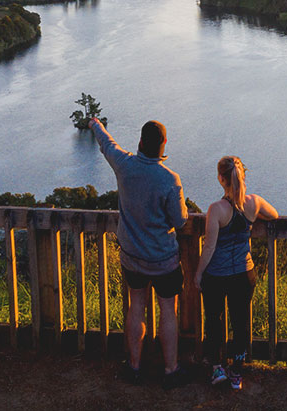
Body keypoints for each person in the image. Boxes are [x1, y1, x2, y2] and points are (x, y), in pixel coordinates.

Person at [88, 117, 190, 388]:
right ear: (164, 144)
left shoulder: (124, 165)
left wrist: (96, 124)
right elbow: (180, 221)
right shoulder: (170, 179)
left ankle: (134, 366)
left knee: (137, 307)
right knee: (168, 310)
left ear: (141, 142)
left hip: (132, 257)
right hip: (163, 259)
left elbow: (107, 144)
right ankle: (170, 369)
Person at [194, 156, 279, 390]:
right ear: (242, 177)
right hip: (244, 273)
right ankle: (237, 373)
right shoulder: (254, 203)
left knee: (214, 321)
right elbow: (274, 215)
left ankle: (217, 368)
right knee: (240, 322)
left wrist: (198, 274)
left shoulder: (216, 209)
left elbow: (209, 247)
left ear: (221, 179)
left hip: (217, 276)